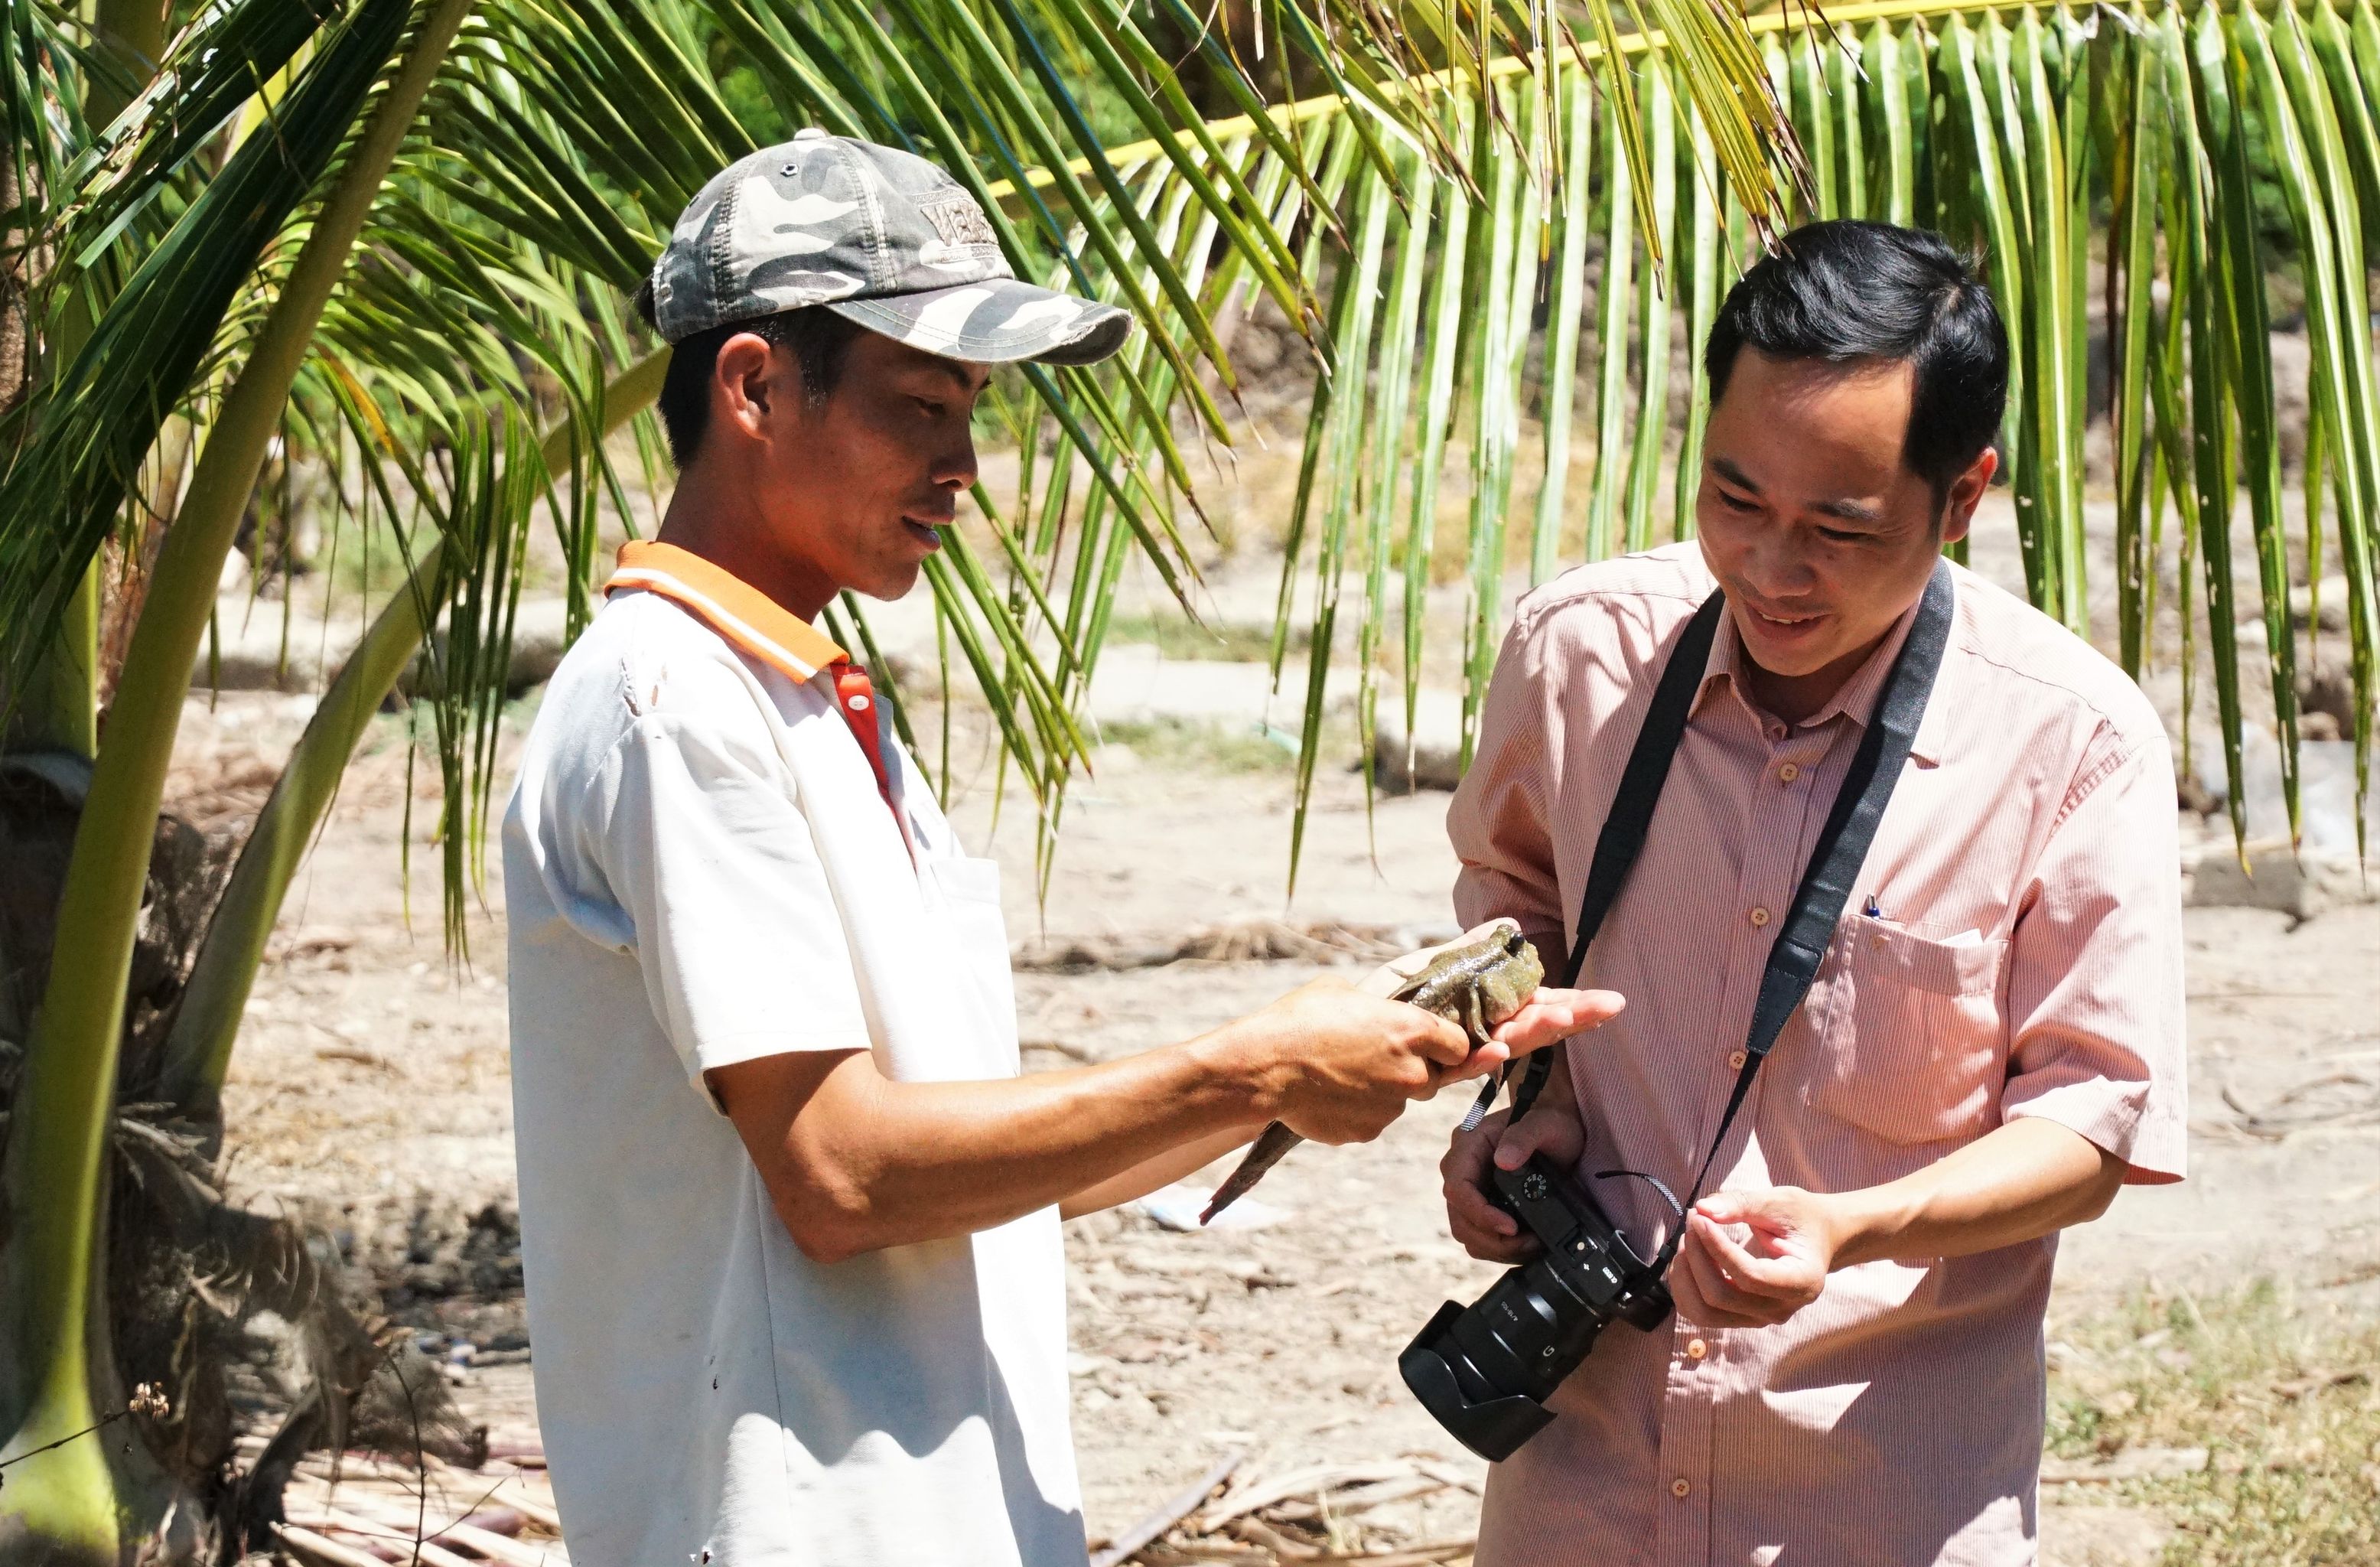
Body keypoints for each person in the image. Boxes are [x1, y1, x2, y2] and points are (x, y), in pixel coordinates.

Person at [500, 130, 1614, 1567]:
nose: (962, 466)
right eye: (920, 406)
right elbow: (843, 1176)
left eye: (971, 412)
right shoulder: (676, 709)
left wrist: (1319, 1058)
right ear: (757, 388)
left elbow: (974, 1160)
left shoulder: (793, 697)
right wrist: (1249, 1068)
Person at [1437, 220, 2186, 1565]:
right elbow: (1517, 923)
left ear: (1963, 497)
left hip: (1883, 1495)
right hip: (1581, 1485)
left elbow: (2091, 1126)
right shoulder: (1579, 657)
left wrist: (1854, 1226)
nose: (1771, 572)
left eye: (1841, 528)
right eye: (1736, 501)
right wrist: (1529, 1102)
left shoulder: (2074, 744)